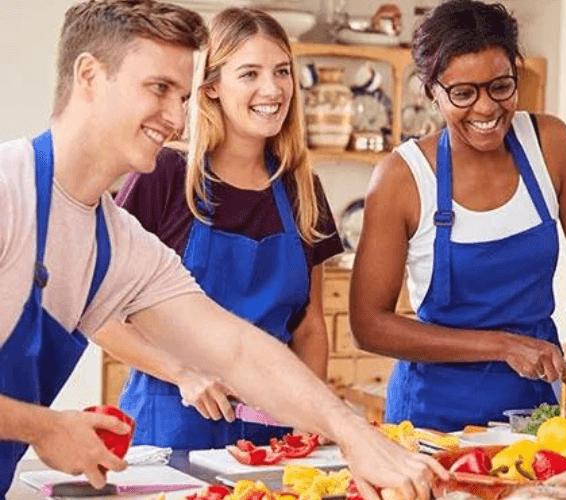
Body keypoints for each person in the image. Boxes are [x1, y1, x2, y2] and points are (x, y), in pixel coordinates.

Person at [0, 1, 445, 497]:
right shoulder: (6, 193)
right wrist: (43, 427)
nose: (176, 117)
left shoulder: (116, 244)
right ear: (89, 75)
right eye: (159, 89)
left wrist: (350, 433)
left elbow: (237, 351)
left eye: (183, 94)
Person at [348, 0, 566, 432]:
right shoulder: (402, 179)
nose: (486, 109)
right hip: (433, 421)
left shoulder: (550, 144)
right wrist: (501, 346)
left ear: (516, 70)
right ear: (431, 90)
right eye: (462, 93)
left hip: (538, 412)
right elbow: (370, 325)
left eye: (500, 86)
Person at [92, 7, 343, 450]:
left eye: (282, 71)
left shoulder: (303, 188)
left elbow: (309, 327)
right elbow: (97, 311)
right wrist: (182, 372)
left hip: (273, 430)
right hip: (170, 427)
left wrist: (314, 415)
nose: (273, 89)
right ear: (210, 88)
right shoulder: (163, 175)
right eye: (250, 74)